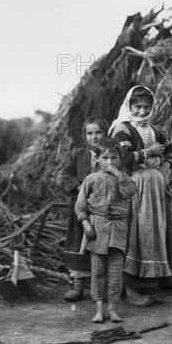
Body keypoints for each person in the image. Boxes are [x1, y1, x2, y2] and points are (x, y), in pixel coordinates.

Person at [109, 85, 172, 304]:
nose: (141, 111)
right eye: (137, 107)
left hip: (153, 188)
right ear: (129, 106)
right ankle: (130, 290)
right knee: (135, 233)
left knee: (151, 232)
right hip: (133, 186)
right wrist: (148, 153)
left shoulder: (153, 129)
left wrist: (165, 168)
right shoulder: (123, 129)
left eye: (146, 107)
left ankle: (149, 284)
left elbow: (170, 149)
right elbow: (125, 159)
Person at [74, 138, 137, 323]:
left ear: (120, 159)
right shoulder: (91, 179)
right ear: (97, 159)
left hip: (118, 230)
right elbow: (80, 207)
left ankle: (113, 309)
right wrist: (86, 225)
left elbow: (130, 191)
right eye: (106, 157)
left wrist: (118, 174)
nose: (110, 162)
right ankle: (99, 309)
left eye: (114, 158)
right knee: (98, 271)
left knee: (116, 273)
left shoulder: (124, 178)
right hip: (97, 230)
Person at [56, 116, 109, 302]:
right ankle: (78, 284)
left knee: (100, 246)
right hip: (81, 208)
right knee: (79, 243)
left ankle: (98, 287)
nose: (94, 137)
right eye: (90, 133)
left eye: (98, 132)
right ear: (85, 135)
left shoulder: (111, 154)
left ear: (105, 133)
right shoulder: (77, 154)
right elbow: (63, 175)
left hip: (104, 209)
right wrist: (80, 187)